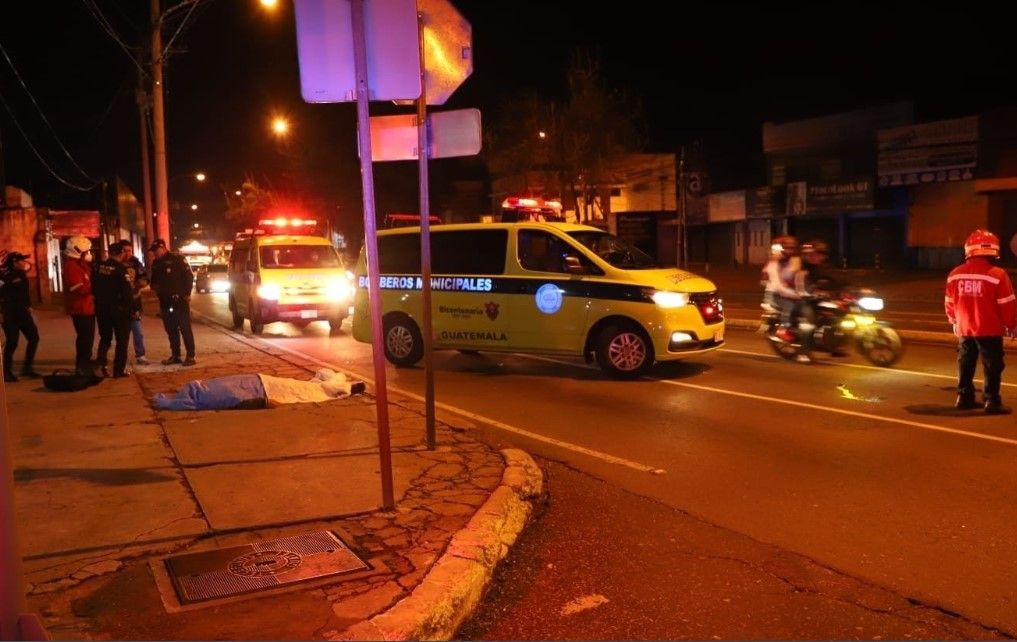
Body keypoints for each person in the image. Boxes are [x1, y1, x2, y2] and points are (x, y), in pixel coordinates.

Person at [945, 229, 1017, 414]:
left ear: (969, 249)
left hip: (964, 329)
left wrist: (954, 321)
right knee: (993, 365)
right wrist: (1013, 325)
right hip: (990, 329)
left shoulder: (955, 274)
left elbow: (949, 303)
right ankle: (992, 400)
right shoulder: (998, 274)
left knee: (965, 362)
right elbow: (1007, 305)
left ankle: (964, 397)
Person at [794, 239, 846, 358]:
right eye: (814, 254)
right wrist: (815, 293)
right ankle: (803, 352)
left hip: (820, 299)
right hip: (804, 301)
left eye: (820, 254)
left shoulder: (823, 267)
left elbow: (838, 280)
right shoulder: (801, 269)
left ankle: (834, 345)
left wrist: (853, 289)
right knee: (810, 323)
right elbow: (802, 289)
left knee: (839, 315)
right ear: (806, 255)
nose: (818, 257)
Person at [149, 239, 196, 366]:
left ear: (163, 247)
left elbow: (189, 277)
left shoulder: (178, 259)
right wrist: (156, 289)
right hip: (165, 302)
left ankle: (191, 356)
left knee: (185, 329)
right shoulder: (156, 263)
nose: (155, 254)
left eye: (156, 250)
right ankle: (176, 355)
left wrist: (187, 294)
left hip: (179, 301)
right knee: (171, 330)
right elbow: (153, 281)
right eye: (153, 252)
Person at [93, 242, 134, 378]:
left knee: (105, 338)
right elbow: (127, 293)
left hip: (102, 309)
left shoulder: (98, 267)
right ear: (121, 253)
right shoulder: (121, 269)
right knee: (122, 341)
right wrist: (131, 309)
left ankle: (101, 365)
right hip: (119, 310)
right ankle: (118, 370)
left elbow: (93, 286)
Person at [1, 252, 41, 381]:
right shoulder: (3, 276)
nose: (24, 263)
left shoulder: (21, 274)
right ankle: (6, 372)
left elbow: (25, 293)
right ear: (14, 262)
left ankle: (27, 368)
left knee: (34, 338)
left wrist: (28, 306)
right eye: (21, 261)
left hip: (22, 312)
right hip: (9, 313)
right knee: (12, 342)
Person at [62, 235, 97, 375]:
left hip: (87, 307)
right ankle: (82, 367)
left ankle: (84, 364)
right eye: (86, 251)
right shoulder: (71, 266)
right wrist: (95, 285)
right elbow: (78, 289)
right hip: (81, 309)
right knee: (84, 339)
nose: (89, 254)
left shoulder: (80, 265)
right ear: (78, 252)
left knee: (87, 339)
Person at [761, 235, 802, 345]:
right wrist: (796, 294)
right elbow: (778, 286)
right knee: (790, 306)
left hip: (791, 291)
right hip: (777, 293)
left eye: (793, 247)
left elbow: (798, 277)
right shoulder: (774, 263)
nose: (791, 250)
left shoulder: (796, 260)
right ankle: (783, 329)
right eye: (787, 247)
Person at [119, 240, 149, 365]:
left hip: (134, 302)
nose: (128, 253)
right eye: (125, 251)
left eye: (129, 250)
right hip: (119, 303)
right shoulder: (116, 264)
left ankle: (140, 355)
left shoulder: (136, 263)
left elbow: (144, 278)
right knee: (121, 333)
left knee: (137, 330)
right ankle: (121, 357)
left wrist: (139, 287)